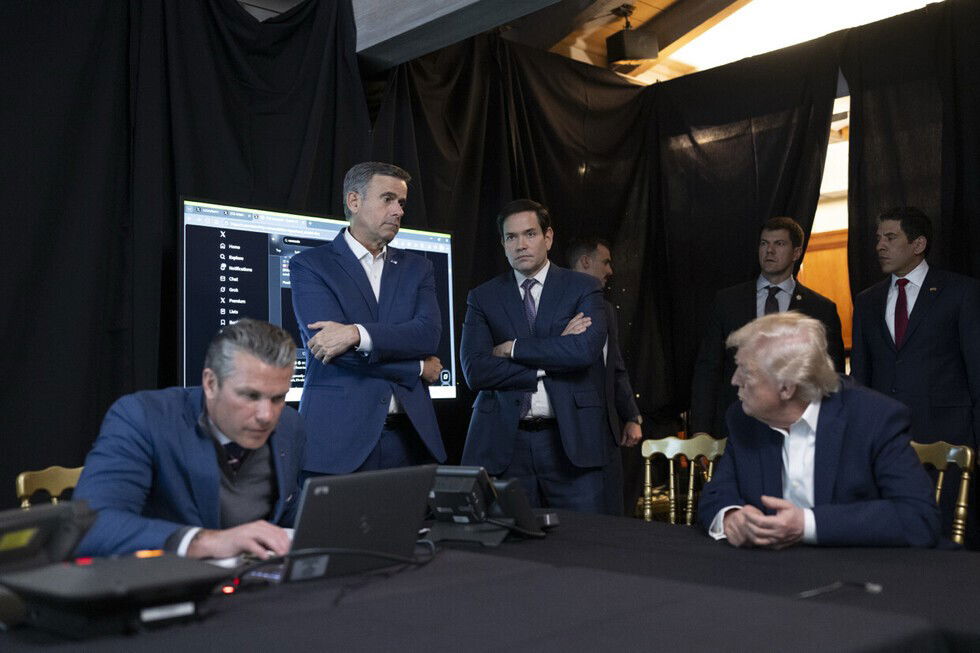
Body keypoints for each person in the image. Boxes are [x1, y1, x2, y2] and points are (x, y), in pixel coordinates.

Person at [698, 312, 939, 548]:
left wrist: (806, 524)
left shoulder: (874, 419)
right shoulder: (743, 417)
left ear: (786, 388)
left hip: (863, 572)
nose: (734, 380)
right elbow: (718, 492)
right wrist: (731, 517)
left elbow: (917, 516)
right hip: (772, 574)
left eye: (746, 371)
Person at [74, 319, 306, 558]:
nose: (266, 416)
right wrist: (205, 542)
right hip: (164, 584)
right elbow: (92, 526)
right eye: (249, 396)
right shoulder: (144, 418)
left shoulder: (290, 425)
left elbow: (285, 510)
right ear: (210, 383)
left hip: (257, 584)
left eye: (278, 398)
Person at [289, 162, 446, 474]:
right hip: (337, 441)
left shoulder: (419, 268)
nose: (398, 211)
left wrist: (355, 334)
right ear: (354, 201)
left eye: (401, 203)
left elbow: (427, 335)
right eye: (387, 199)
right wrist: (416, 367)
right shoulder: (310, 265)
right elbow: (331, 353)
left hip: (410, 439)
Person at [460, 199, 612, 513]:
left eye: (529, 234)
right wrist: (553, 354)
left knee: (583, 547)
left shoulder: (583, 288)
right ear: (502, 244)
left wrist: (513, 349)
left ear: (548, 237)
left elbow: (583, 351)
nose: (521, 244)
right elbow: (476, 371)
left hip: (570, 443)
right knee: (507, 552)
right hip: (504, 443)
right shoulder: (483, 296)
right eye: (511, 237)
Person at [850, 207, 980, 545]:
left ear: (918, 243)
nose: (880, 246)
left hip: (948, 439)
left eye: (890, 238)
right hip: (887, 441)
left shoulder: (961, 292)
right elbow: (861, 377)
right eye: (878, 238)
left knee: (947, 541)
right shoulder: (867, 301)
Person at [690, 216, 845, 438]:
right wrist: (701, 430)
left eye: (779, 244)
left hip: (796, 430)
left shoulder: (820, 309)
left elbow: (830, 376)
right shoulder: (728, 301)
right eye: (764, 243)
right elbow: (708, 368)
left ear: (796, 252)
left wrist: (830, 428)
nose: (769, 251)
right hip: (736, 426)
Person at [567, 236, 643, 515]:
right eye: (606, 262)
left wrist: (631, 416)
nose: (611, 271)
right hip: (570, 431)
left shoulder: (606, 309)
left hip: (607, 430)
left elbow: (616, 366)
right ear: (586, 262)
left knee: (613, 513)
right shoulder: (554, 303)